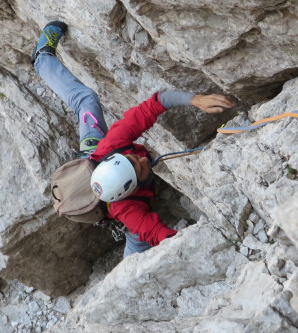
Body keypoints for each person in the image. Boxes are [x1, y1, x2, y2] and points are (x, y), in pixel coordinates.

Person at [32, 21, 234, 258]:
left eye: (132, 158)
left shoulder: (112, 146)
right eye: (140, 167)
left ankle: (42, 59)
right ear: (129, 191)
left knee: (86, 100)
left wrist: (195, 99)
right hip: (124, 208)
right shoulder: (127, 209)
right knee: (138, 240)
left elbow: (153, 105)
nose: (141, 158)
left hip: (94, 153)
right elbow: (157, 233)